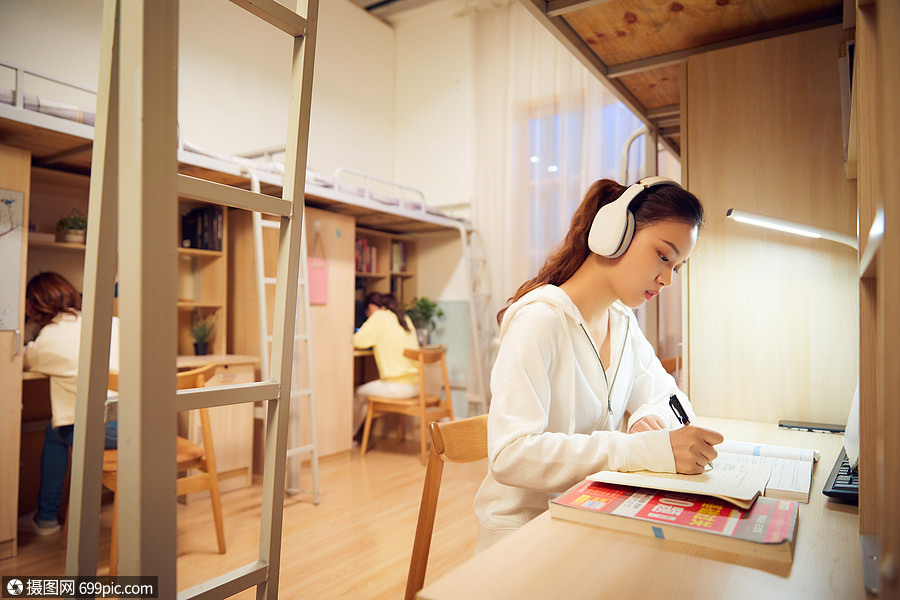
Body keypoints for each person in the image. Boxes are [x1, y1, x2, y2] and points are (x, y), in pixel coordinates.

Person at [474, 177, 724, 551]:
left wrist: (644, 415)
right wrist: (636, 449)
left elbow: (672, 398)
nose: (668, 279)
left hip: (589, 515)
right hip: (525, 536)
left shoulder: (622, 323)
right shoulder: (540, 321)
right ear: (614, 233)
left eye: (678, 267)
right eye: (663, 255)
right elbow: (511, 456)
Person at [18, 272, 119, 535]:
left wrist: (31, 325)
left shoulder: (49, 338)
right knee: (72, 421)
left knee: (57, 430)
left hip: (111, 428)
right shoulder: (112, 322)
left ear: (32, 306)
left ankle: (48, 518)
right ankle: (87, 509)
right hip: (144, 422)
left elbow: (22, 358)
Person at [351, 291, 421, 438]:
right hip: (416, 386)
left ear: (371, 307)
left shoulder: (379, 317)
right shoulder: (404, 317)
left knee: (358, 392)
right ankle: (355, 435)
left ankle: (349, 437)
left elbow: (357, 341)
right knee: (365, 392)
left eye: (368, 311)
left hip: (397, 387)